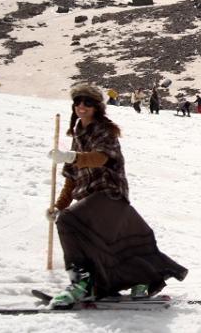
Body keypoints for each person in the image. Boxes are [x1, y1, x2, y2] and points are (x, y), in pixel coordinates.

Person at [46, 83, 188, 309]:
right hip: (89, 198)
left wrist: (72, 156)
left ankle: (81, 283)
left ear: (97, 107)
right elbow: (71, 179)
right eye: (78, 101)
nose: (81, 106)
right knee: (100, 243)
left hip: (109, 193)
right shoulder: (78, 134)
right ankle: (133, 279)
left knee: (68, 221)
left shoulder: (104, 130)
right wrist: (58, 205)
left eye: (88, 102)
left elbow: (101, 158)